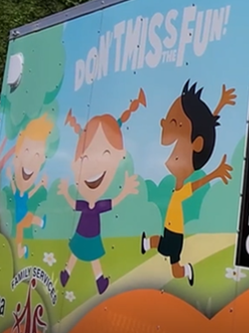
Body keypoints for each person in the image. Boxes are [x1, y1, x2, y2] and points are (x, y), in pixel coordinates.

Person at [141, 81, 235, 286]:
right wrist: (220, 105)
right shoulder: (178, 188)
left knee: (169, 257)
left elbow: (202, 130)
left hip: (175, 233)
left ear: (196, 145)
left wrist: (215, 173)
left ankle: (182, 268)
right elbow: (204, 126)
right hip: (171, 230)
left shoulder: (183, 189)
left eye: (176, 124)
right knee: (165, 250)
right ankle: (149, 245)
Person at [58, 89, 146, 295]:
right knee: (81, 254)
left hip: (89, 234)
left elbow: (112, 203)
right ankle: (70, 274)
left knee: (88, 256)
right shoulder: (92, 205)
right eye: (85, 159)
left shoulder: (96, 205)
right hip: (86, 233)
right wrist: (65, 193)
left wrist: (125, 191)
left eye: (106, 154)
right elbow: (74, 204)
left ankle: (94, 279)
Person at [6, 115, 54, 259]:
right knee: (22, 228)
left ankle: (39, 223)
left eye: (37, 155)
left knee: (25, 224)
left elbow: (32, 192)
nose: (31, 159)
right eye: (26, 151)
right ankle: (22, 249)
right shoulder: (18, 192)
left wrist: (40, 184)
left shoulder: (23, 194)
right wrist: (9, 177)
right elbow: (14, 187)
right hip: (20, 217)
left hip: (22, 216)